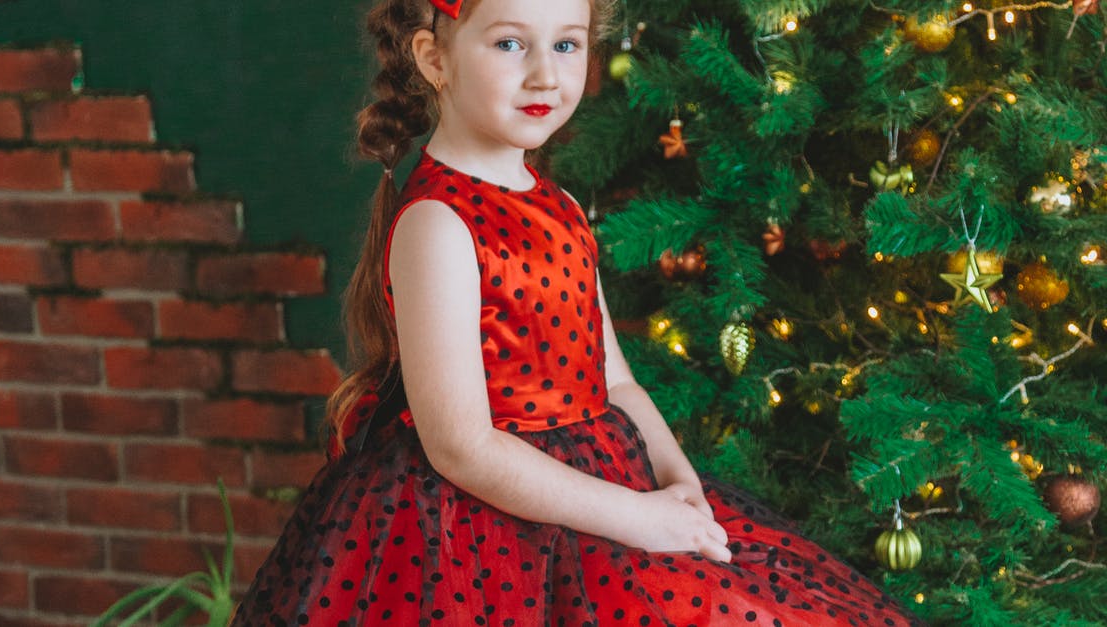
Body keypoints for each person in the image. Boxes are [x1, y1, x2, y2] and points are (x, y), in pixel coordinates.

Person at [231, 0, 923, 624]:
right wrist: (637, 519)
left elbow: (615, 382)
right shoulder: (437, 224)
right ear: (433, 57)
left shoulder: (558, 207)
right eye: (509, 44)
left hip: (608, 484)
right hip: (479, 536)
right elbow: (461, 446)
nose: (544, 75)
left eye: (567, 44)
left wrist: (676, 481)